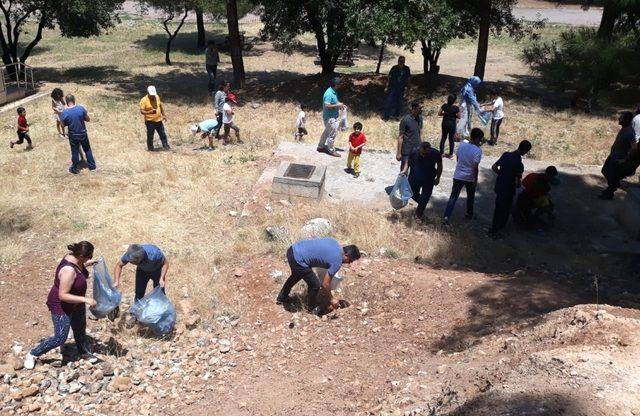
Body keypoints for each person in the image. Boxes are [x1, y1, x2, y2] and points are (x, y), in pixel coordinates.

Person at [23, 242, 99, 370]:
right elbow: (63, 295)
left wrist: (88, 264)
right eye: (88, 257)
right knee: (60, 337)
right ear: (80, 255)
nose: (90, 258)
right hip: (61, 305)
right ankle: (32, 354)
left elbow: (79, 267)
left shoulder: (75, 258)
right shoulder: (68, 270)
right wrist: (85, 299)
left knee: (80, 329)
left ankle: (83, 352)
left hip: (76, 302)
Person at [276, 238, 361, 311]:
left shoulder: (334, 242)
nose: (348, 263)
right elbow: (325, 284)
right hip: (298, 259)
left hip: (292, 250)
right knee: (315, 285)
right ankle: (311, 308)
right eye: (350, 261)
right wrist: (331, 299)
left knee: (296, 275)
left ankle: (281, 298)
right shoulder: (337, 261)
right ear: (346, 255)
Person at [488, 140, 532, 238]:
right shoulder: (519, 164)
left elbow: (494, 167)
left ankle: (494, 228)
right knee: (505, 210)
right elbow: (517, 182)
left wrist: (502, 175)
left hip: (499, 186)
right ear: (525, 150)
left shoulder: (506, 154)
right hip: (508, 189)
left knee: (498, 208)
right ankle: (496, 230)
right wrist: (520, 187)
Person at [443, 128, 484, 224]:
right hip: (469, 177)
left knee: (453, 197)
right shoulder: (478, 150)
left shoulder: (462, 145)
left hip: (458, 175)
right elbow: (475, 167)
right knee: (470, 196)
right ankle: (469, 214)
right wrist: (475, 179)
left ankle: (446, 216)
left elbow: (458, 159)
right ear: (477, 139)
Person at [401, 141, 443, 220]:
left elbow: (440, 165)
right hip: (414, 178)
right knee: (412, 194)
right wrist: (404, 170)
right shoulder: (414, 151)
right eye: (422, 153)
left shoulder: (435, 153)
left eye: (425, 153)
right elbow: (408, 161)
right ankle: (422, 204)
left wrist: (438, 177)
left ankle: (418, 215)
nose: (423, 155)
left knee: (425, 196)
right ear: (419, 148)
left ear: (429, 150)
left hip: (429, 179)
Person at [600, 111, 636, 199]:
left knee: (612, 176)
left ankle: (609, 193)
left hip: (618, 159)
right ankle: (614, 185)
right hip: (613, 156)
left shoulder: (630, 132)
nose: (619, 118)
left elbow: (634, 148)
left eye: (622, 117)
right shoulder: (624, 128)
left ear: (627, 120)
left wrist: (625, 159)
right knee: (605, 171)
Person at [60, 95, 97, 174]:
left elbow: (62, 125)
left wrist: (67, 122)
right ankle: (92, 167)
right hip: (83, 133)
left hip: (73, 135)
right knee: (87, 149)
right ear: (74, 100)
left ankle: (74, 169)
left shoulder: (65, 113)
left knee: (75, 151)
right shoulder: (81, 109)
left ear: (66, 102)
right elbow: (88, 119)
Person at [317, 77, 345, 157]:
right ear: (336, 85)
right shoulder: (329, 93)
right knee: (332, 134)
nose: (340, 85)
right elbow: (327, 105)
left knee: (326, 132)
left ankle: (320, 146)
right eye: (339, 84)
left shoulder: (333, 91)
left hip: (331, 116)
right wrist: (338, 105)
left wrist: (340, 104)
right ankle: (331, 150)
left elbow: (335, 102)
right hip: (330, 118)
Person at [140, 86, 170, 151]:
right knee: (150, 136)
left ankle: (166, 146)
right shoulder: (143, 100)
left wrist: (164, 115)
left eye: (153, 94)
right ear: (148, 93)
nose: (153, 96)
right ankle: (150, 148)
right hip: (150, 121)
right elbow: (142, 111)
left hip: (159, 120)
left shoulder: (157, 97)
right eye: (151, 95)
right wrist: (149, 112)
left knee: (162, 134)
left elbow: (160, 106)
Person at [396, 101, 423, 169]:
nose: (421, 110)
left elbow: (421, 133)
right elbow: (400, 137)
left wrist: (422, 147)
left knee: (415, 170)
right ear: (414, 108)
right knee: (404, 171)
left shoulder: (420, 119)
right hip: (406, 150)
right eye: (419, 108)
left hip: (417, 149)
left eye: (422, 108)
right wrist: (398, 153)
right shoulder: (405, 120)